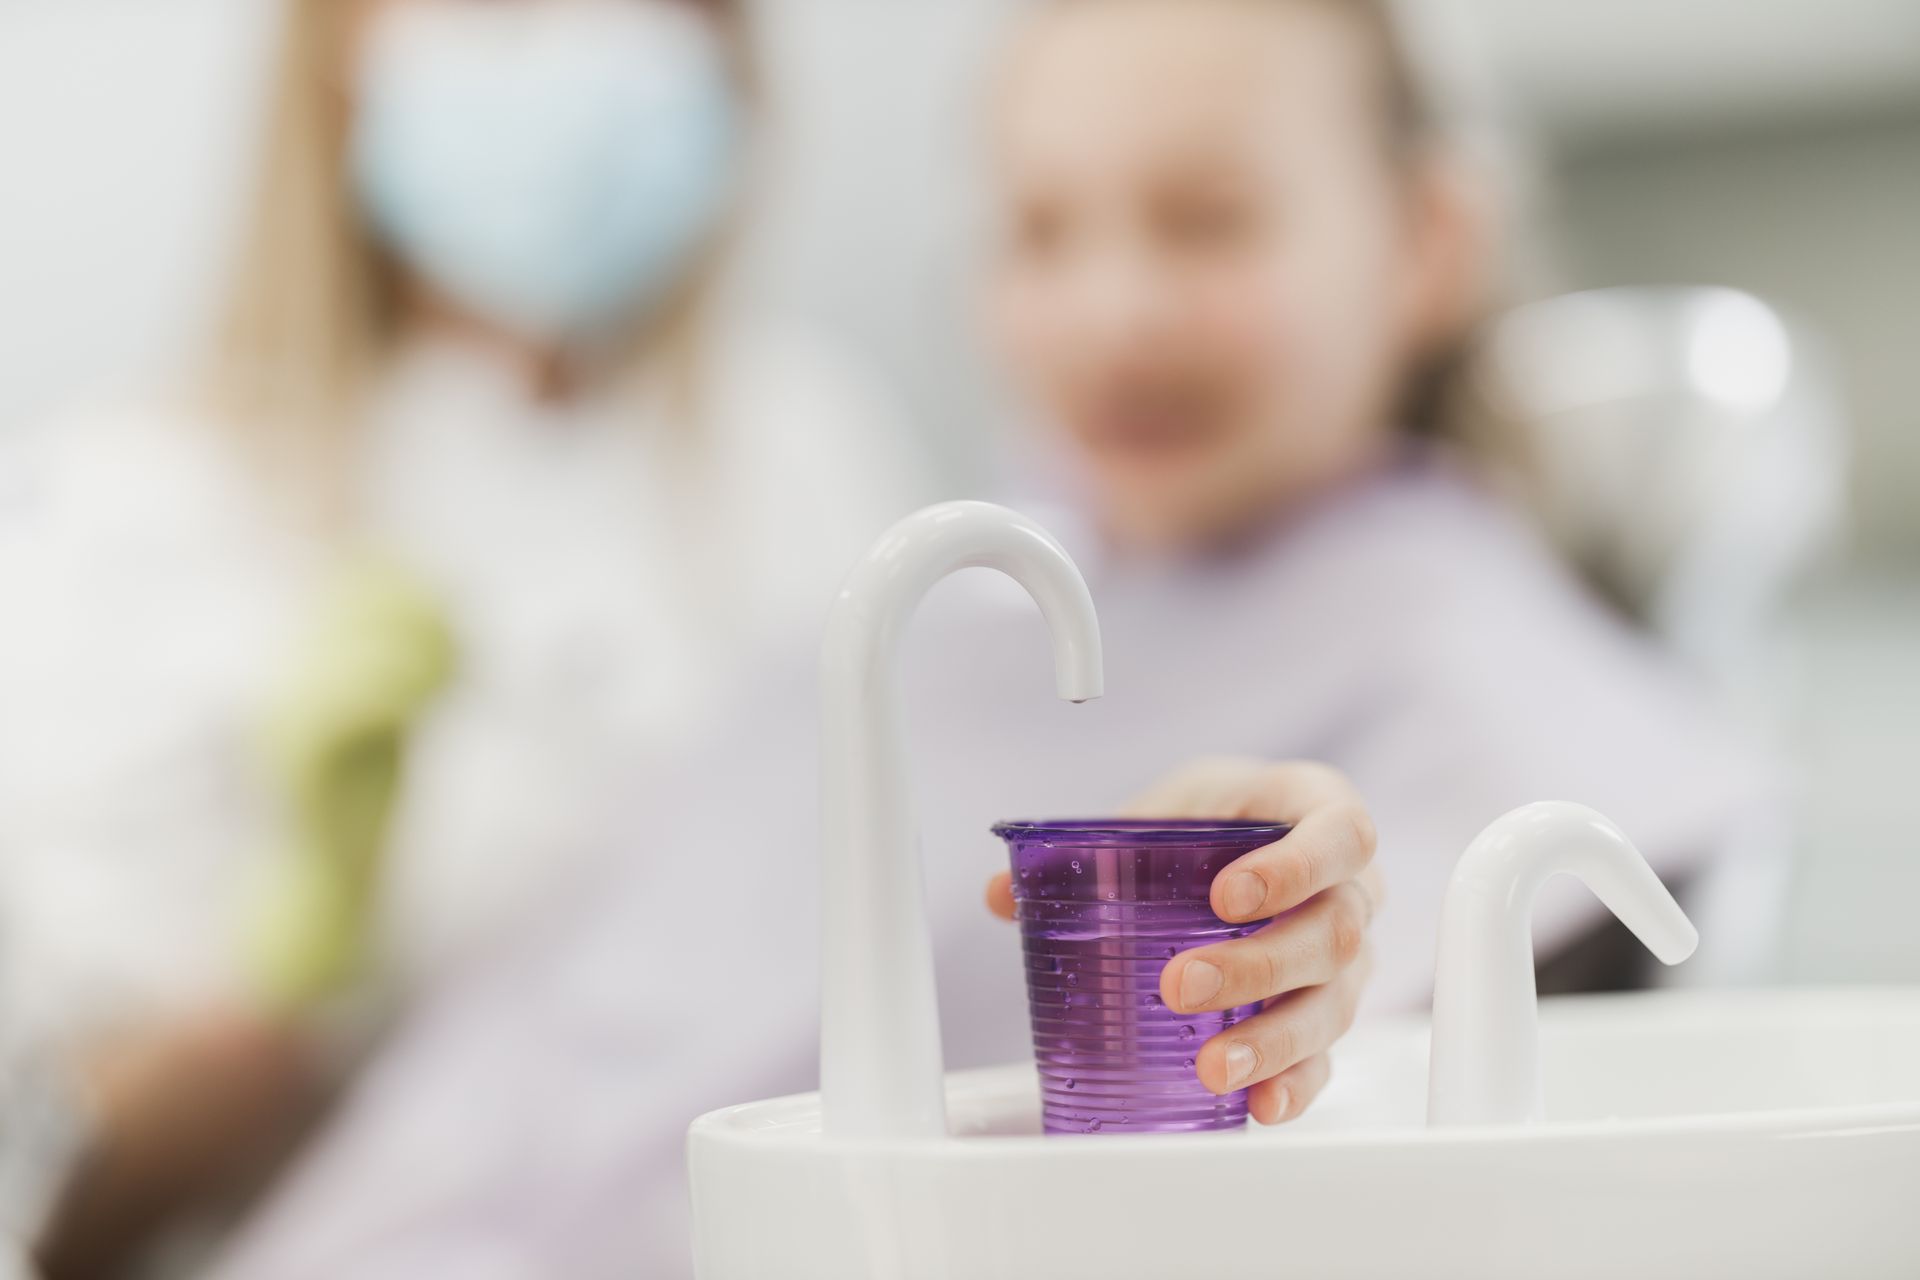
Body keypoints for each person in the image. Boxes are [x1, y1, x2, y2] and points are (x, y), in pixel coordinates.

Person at [191, 0, 1764, 1276]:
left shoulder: (1484, 686)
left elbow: (1407, 1090)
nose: (1111, 309)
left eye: (1205, 223)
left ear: (1425, 240)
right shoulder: (931, 633)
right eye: (1040, 230)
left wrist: (1296, 964)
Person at [0, 0, 926, 1271]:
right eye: (499, 10)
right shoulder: (131, 507)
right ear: (336, 48)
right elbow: (72, 1205)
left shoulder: (811, 454)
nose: (584, 46)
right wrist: (301, 950)